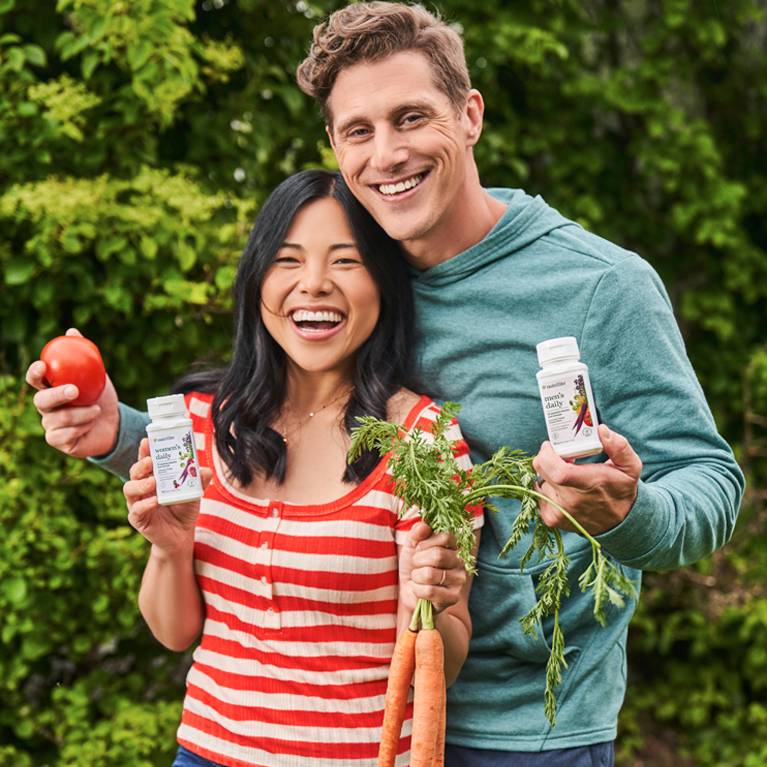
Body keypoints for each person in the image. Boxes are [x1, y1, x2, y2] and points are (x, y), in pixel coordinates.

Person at [27, 4, 744, 766]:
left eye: (411, 118)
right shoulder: (347, 270)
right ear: (334, 146)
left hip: (520, 731)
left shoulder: (600, 288)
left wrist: (626, 510)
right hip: (353, 721)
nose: (388, 154)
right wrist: (118, 433)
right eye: (358, 131)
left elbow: (711, 485)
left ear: (469, 116)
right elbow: (281, 441)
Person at [46, 169, 483, 766]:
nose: (314, 285)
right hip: (205, 752)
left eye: (346, 262)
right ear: (257, 281)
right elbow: (176, 634)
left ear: (384, 283)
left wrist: (429, 602)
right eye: (287, 260)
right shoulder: (203, 423)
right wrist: (170, 548)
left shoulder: (423, 441)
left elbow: (444, 660)